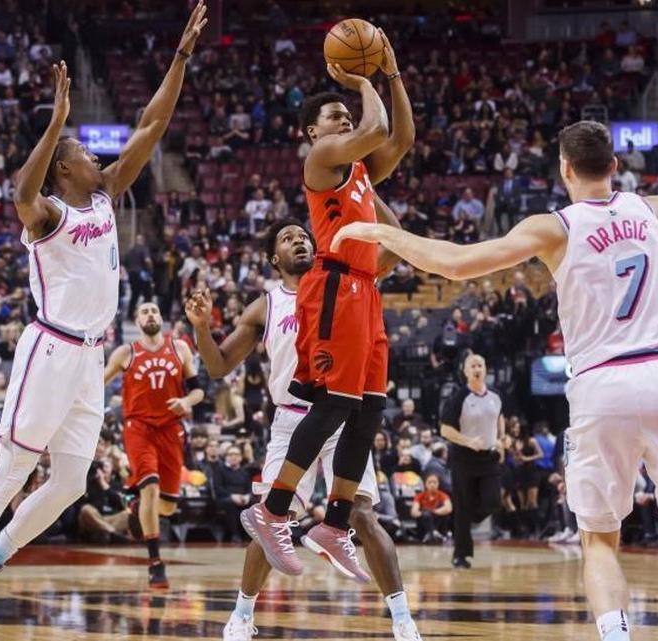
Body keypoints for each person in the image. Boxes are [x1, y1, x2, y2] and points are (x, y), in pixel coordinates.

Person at [332, 120, 658, 641]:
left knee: (600, 540)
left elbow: (460, 263)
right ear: (615, 167)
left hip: (603, 385)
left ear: (564, 169)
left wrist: (382, 233)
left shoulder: (554, 227)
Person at [0, 6, 207, 639]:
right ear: (64, 170)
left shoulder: (104, 195)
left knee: (72, 480)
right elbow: (22, 192)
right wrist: (54, 124)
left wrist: (181, 57)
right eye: (81, 150)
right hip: (48, 350)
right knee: (12, 473)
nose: (92, 153)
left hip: (88, 358)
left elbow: (153, 124)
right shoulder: (47, 213)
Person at [186, 213, 422, 641]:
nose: (299, 241)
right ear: (272, 259)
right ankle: (242, 614)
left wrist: (367, 194)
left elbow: (400, 241)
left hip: (342, 417)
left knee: (363, 514)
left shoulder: (346, 278)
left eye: (303, 236)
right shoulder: (266, 304)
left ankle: (403, 620)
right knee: (272, 518)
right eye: (287, 239)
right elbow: (218, 366)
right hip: (292, 421)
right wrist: (202, 329)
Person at [239, 28, 415, 589]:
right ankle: (274, 509)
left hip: (366, 289)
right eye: (336, 115)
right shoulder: (323, 158)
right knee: (336, 403)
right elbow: (379, 127)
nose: (345, 120)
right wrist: (361, 78)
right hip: (336, 285)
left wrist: (391, 74)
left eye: (347, 114)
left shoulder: (360, 172)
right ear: (313, 130)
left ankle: (334, 523)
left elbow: (401, 137)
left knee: (369, 409)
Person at [103, 301, 204, 589]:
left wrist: (185, 402)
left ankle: (135, 507)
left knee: (169, 508)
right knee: (150, 485)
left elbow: (199, 390)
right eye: (144, 311)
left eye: (154, 310)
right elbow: (98, 381)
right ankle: (155, 563)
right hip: (139, 428)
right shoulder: (126, 352)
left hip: (171, 429)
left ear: (163, 319)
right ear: (136, 321)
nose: (150, 314)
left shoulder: (180, 349)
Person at [440, 353, 504, 567]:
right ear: (465, 371)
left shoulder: (495, 395)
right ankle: (461, 555)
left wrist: (502, 440)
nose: (477, 368)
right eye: (472, 366)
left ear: (485, 369)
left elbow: (499, 417)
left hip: (489, 458)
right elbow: (445, 429)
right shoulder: (459, 397)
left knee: (493, 501)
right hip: (463, 458)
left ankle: (471, 518)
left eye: (480, 365)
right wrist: (467, 441)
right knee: (463, 508)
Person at [411, 474, 453, 542]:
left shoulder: (443, 495)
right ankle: (433, 532)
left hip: (437, 519)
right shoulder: (420, 496)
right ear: (426, 484)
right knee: (426, 515)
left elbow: (449, 508)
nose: (432, 484)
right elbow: (414, 512)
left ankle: (437, 533)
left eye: (434, 482)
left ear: (438, 484)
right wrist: (424, 513)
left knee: (445, 515)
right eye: (430, 482)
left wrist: (433, 512)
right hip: (425, 520)